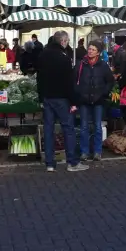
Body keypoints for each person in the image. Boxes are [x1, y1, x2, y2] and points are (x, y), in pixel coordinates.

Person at [36, 31, 87, 173]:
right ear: (63, 41)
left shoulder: (42, 55)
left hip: (47, 98)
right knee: (68, 129)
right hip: (62, 99)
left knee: (48, 129)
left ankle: (50, 164)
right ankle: (72, 162)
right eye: (67, 41)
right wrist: (74, 101)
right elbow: (69, 83)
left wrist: (41, 97)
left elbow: (38, 79)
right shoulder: (64, 58)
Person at [74, 41, 115, 161]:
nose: (90, 51)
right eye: (89, 49)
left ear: (98, 52)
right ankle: (84, 152)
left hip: (98, 100)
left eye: (93, 49)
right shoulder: (81, 64)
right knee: (84, 127)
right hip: (84, 100)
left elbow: (110, 81)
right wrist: (79, 94)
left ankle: (97, 151)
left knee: (97, 126)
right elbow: (74, 80)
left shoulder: (103, 65)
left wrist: (104, 93)